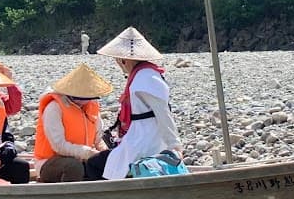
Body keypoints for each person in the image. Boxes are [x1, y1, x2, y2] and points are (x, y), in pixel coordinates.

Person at [95, 27, 183, 180]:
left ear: (125, 59)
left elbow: (163, 113)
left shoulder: (146, 78)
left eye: (117, 59)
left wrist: (174, 146)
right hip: (138, 137)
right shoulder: (143, 75)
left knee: (97, 165)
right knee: (101, 162)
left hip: (145, 142)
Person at [32, 63, 113, 182]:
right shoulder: (54, 108)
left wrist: (104, 153)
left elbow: (98, 139)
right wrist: (87, 153)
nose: (85, 101)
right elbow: (59, 146)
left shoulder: (92, 107)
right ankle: (67, 198)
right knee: (73, 166)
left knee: (109, 160)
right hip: (49, 163)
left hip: (82, 158)